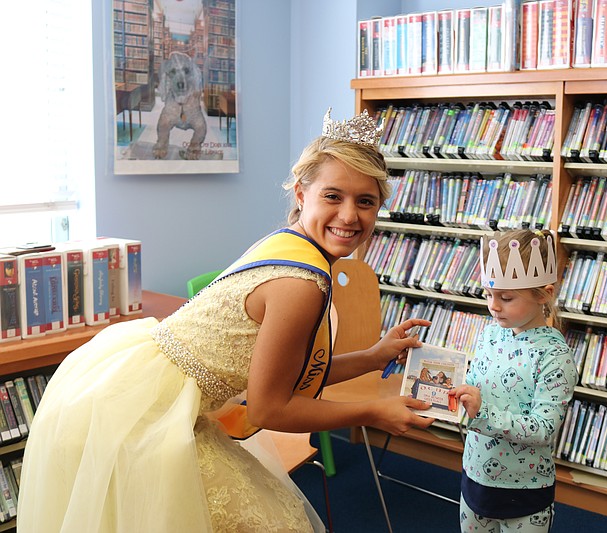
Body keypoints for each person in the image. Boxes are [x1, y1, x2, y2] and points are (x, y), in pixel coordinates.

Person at [17, 108, 434, 533]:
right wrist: (371, 412)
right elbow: (272, 407)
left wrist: (371, 357)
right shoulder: (301, 285)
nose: (349, 216)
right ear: (301, 194)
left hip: (146, 392)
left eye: (365, 202)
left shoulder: (291, 243)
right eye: (333, 196)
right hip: (149, 415)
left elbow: (289, 372)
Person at [449, 229, 578, 533]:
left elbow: (544, 429)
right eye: (488, 295)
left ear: (544, 294)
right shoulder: (490, 333)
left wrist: (482, 413)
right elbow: (474, 384)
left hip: (524, 492)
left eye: (506, 298)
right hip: (476, 476)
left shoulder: (554, 356)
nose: (494, 306)